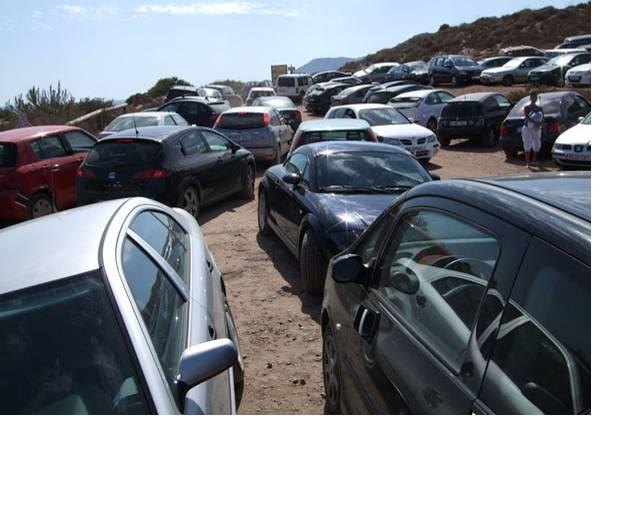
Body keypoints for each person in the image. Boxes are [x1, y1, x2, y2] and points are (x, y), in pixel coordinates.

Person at [522, 92, 544, 169]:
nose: (534, 99)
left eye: (535, 97)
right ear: (530, 98)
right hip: (527, 127)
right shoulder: (526, 107)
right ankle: (528, 162)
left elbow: (542, 118)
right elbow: (527, 117)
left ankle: (534, 160)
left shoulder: (540, 108)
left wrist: (540, 123)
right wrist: (535, 122)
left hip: (536, 128)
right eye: (532, 97)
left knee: (537, 143)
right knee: (527, 143)